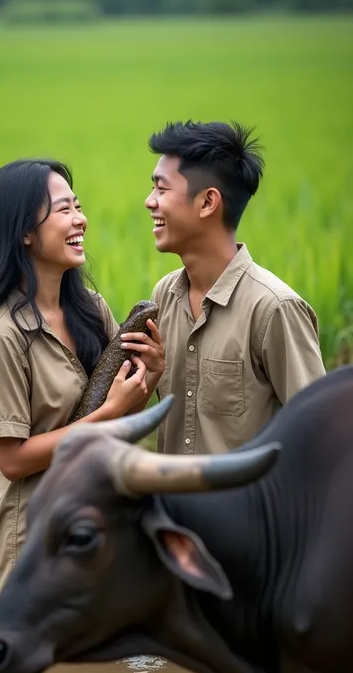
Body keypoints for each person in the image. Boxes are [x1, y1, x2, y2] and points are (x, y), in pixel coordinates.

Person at [0, 159, 164, 615]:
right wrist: (105, 415)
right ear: (25, 232)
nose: (80, 219)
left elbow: (123, 410)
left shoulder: (93, 310)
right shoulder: (3, 335)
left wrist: (150, 377)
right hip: (36, 539)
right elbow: (12, 460)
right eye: (64, 209)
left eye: (78, 206)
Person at [122, 120, 326, 456]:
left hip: (248, 509)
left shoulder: (274, 309)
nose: (149, 201)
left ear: (207, 203)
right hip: (171, 508)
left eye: (161, 189)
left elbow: (319, 436)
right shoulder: (163, 298)